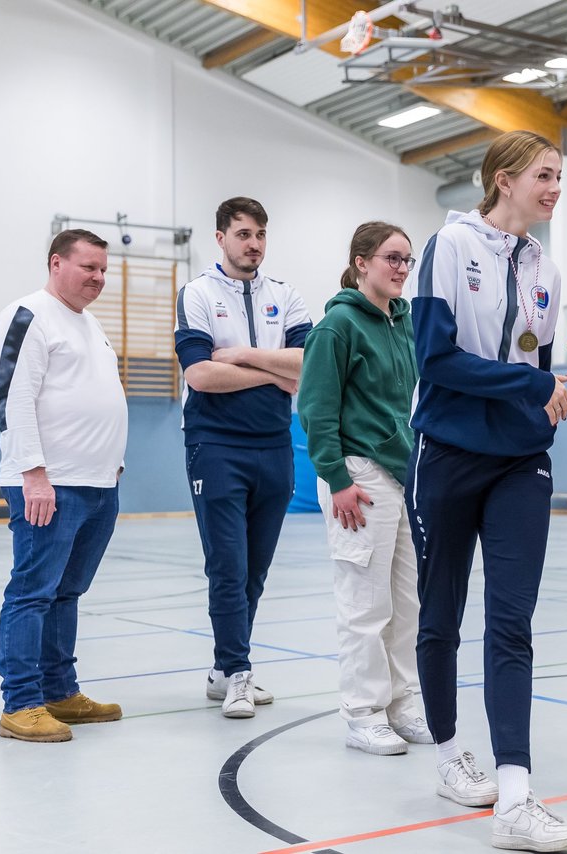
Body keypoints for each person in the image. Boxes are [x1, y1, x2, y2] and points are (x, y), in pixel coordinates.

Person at [407, 130, 567, 852]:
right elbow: (436, 360)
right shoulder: (448, 248)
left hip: (521, 460)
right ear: (503, 177)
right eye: (544, 175)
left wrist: (542, 389)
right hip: (448, 453)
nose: (554, 188)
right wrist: (536, 382)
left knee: (511, 622)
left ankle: (515, 795)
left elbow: (536, 357)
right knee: (441, 615)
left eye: (559, 177)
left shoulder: (546, 265)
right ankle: (451, 756)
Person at [174, 197, 312, 719]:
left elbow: (308, 367)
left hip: (274, 444)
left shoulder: (287, 296)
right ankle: (238, 672)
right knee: (227, 567)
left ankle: (222, 669)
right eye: (243, 234)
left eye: (260, 234)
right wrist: (276, 371)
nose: (253, 244)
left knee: (254, 570)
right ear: (220, 238)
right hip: (216, 446)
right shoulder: (198, 294)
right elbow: (201, 376)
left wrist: (243, 356)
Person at [296, 222, 429, 757]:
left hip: (402, 475)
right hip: (359, 475)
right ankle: (363, 713)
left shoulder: (406, 321)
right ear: (361, 263)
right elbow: (315, 409)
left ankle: (402, 704)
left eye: (407, 260)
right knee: (364, 605)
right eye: (391, 258)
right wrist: (337, 479)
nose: (400, 268)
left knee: (405, 604)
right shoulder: (337, 326)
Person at [0, 229, 127, 743]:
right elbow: (12, 397)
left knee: (67, 593)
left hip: (97, 485)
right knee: (33, 591)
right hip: (50, 484)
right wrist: (33, 473)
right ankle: (20, 702)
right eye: (88, 267)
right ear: (55, 263)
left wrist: (112, 466)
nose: (98, 278)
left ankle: (59, 690)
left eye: (103, 270)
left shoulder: (91, 325)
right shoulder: (29, 314)